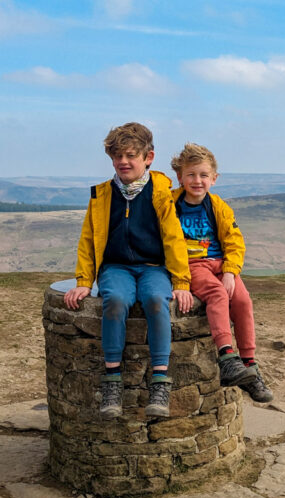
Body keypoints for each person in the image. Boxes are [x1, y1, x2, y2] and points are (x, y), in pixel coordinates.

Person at [64, 122, 193, 419]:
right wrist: (84, 280)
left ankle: (160, 380)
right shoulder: (103, 195)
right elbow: (88, 237)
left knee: (155, 300)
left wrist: (181, 282)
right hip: (116, 267)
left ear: (148, 157)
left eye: (130, 155)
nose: (123, 162)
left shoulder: (160, 192)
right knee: (117, 300)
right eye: (117, 156)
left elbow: (173, 238)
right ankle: (112, 381)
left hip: (153, 268)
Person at [170, 143, 273, 402]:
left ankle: (249, 366)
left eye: (204, 175)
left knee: (242, 300)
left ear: (214, 179)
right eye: (191, 175)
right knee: (217, 294)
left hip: (220, 265)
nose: (197, 180)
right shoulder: (169, 204)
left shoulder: (219, 207)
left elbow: (234, 242)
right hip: (192, 266)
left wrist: (230, 271)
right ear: (179, 177)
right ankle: (227, 356)